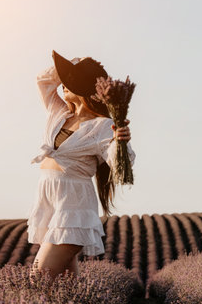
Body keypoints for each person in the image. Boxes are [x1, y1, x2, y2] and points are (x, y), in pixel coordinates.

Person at [27, 50, 136, 286]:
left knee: (38, 279)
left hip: (73, 207)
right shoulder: (58, 112)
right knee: (66, 287)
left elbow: (119, 167)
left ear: (85, 89)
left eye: (71, 81)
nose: (64, 84)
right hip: (49, 202)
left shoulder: (102, 126)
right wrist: (71, 67)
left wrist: (121, 142)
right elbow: (43, 81)